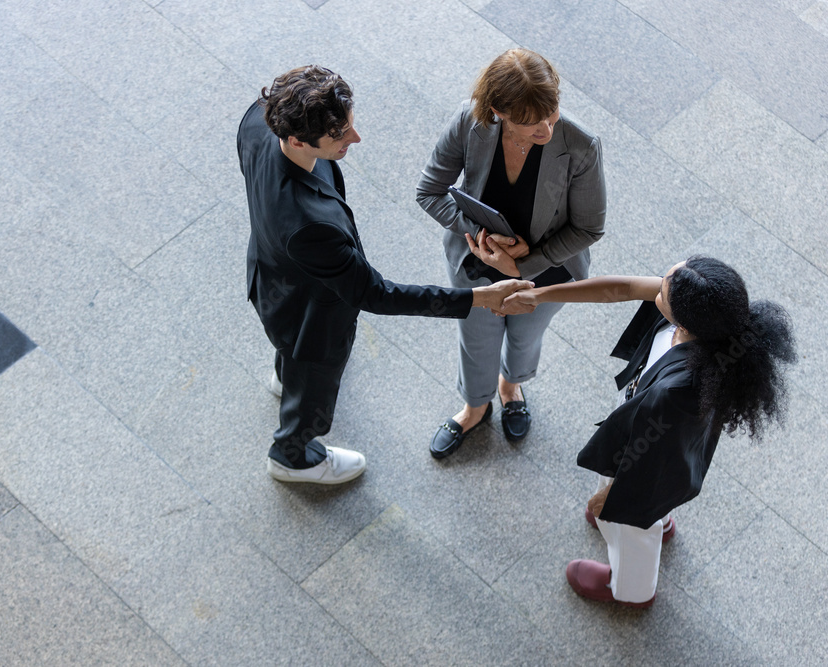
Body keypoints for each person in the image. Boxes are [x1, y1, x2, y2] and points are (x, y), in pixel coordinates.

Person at [238, 65, 532, 485]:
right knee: (315, 389)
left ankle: (288, 376)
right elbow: (375, 293)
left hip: (272, 279)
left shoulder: (258, 119)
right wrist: (481, 298)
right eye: (340, 137)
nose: (355, 139)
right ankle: (292, 455)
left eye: (350, 125)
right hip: (314, 318)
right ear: (298, 140)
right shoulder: (310, 225)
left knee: (293, 360)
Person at [500, 256, 797, 606]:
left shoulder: (678, 392)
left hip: (647, 451)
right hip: (658, 434)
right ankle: (658, 517)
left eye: (664, 291)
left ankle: (632, 590)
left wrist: (616, 499)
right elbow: (621, 287)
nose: (659, 284)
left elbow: (650, 459)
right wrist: (541, 295)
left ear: (684, 322)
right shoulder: (705, 321)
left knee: (631, 528)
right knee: (642, 504)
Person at [416, 48, 606, 459]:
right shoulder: (471, 122)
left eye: (552, 113)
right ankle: (475, 406)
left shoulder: (581, 146)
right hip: (476, 264)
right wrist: (485, 239)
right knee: (476, 338)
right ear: (499, 110)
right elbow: (428, 191)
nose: (546, 130)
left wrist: (521, 265)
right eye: (530, 123)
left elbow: (589, 227)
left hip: (549, 273)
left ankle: (511, 385)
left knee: (525, 336)